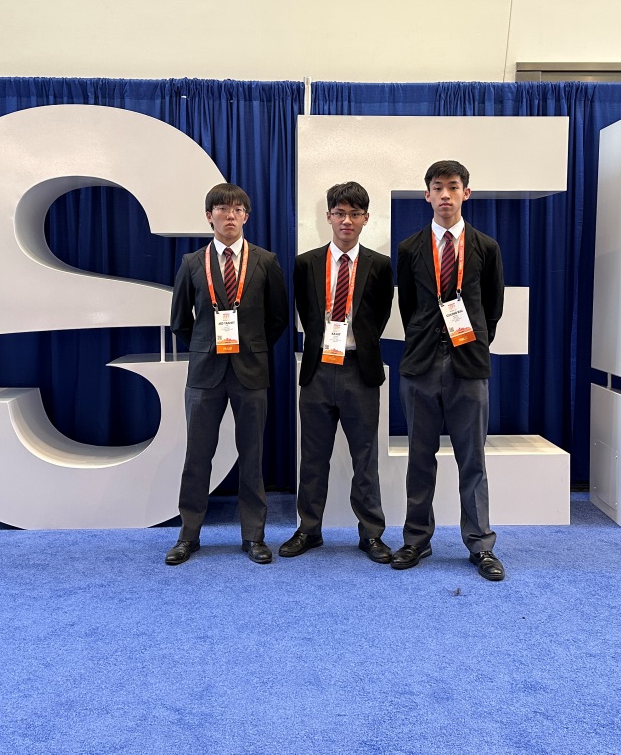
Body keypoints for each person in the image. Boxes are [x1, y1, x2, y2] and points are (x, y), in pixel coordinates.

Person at [392, 160, 506, 581]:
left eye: (453, 187)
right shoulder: (409, 248)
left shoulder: (486, 247)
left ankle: (480, 545)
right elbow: (409, 307)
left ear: (466, 193)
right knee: (419, 459)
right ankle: (416, 540)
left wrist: (470, 342)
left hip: (468, 365)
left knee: (472, 460)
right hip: (420, 365)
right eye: (437, 187)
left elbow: (492, 308)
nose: (445, 194)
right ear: (427, 195)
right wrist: (428, 339)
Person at [165, 183, 289, 566]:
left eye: (237, 209)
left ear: (246, 216)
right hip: (205, 373)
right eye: (222, 208)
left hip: (251, 371)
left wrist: (250, 346)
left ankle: (254, 536)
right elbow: (180, 322)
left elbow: (277, 318)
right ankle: (188, 535)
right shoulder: (191, 263)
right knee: (197, 456)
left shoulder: (265, 261)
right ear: (209, 216)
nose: (230, 215)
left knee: (252, 456)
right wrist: (207, 346)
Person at [281, 182, 395, 564]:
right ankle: (309, 529)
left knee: (365, 457)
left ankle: (372, 534)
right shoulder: (306, 264)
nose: (347, 220)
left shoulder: (380, 265)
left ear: (366, 218)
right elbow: (306, 314)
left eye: (354, 214)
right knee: (313, 457)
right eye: (340, 213)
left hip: (359, 370)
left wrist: (355, 342)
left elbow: (379, 316)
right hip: (318, 370)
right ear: (328, 216)